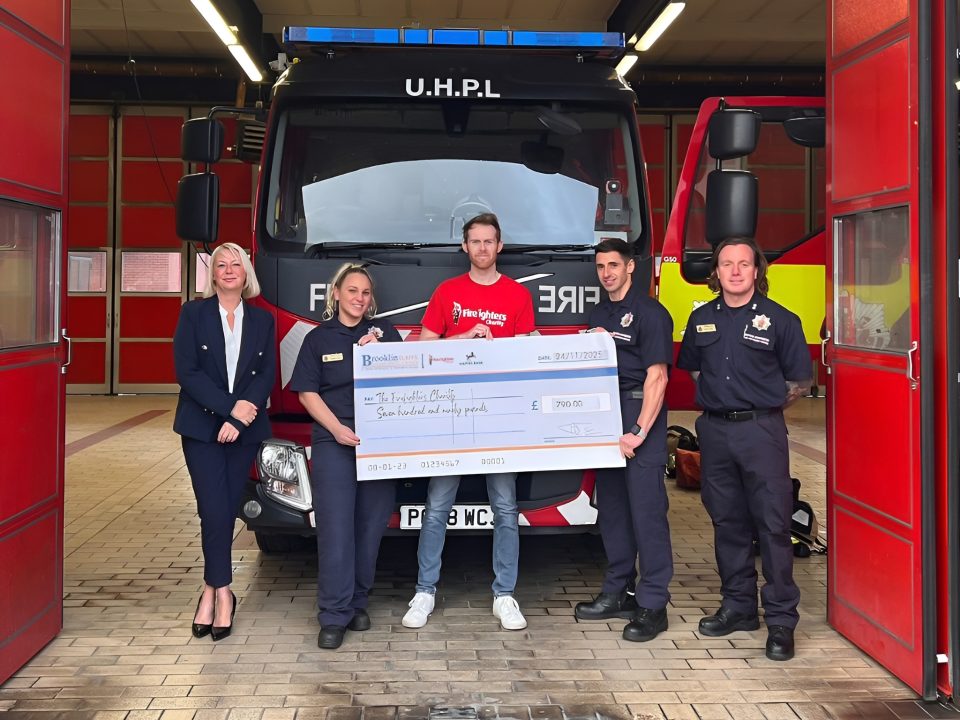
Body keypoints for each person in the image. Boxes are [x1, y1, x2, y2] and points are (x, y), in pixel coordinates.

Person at [676, 237, 812, 661]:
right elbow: (696, 369)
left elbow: (799, 384)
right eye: (726, 264)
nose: (735, 271)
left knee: (772, 524)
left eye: (744, 264)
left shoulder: (782, 321)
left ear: (758, 271)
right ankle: (738, 607)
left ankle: (781, 621)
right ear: (715, 273)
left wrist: (759, 408)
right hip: (715, 432)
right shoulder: (700, 320)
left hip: (762, 432)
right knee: (727, 521)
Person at [402, 212, 535, 631]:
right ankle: (424, 591)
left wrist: (503, 348)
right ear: (465, 247)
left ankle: (505, 595)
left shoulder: (517, 296)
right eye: (474, 242)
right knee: (437, 505)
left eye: (488, 241)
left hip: (500, 418)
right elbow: (424, 349)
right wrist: (462, 339)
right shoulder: (447, 292)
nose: (481, 248)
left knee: (506, 508)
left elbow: (529, 356)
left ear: (500, 246)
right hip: (451, 418)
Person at [289, 263, 402, 649]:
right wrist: (337, 429)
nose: (359, 298)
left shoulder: (386, 335)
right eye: (352, 291)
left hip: (379, 445)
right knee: (336, 529)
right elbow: (307, 393)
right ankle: (333, 614)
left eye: (366, 293)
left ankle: (356, 602)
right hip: (334, 442)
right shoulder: (318, 339)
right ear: (336, 293)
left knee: (369, 527)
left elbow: (409, 383)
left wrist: (383, 356)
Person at [173, 242, 275, 642]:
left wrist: (245, 411)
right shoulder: (193, 314)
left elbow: (266, 371)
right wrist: (232, 411)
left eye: (236, 264)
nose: (229, 270)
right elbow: (188, 372)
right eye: (221, 264)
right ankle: (220, 591)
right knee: (212, 511)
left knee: (228, 510)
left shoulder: (263, 319)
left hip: (246, 429)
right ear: (212, 274)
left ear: (246, 273)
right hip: (202, 429)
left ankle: (215, 591)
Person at [574, 238, 674, 642]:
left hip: (636, 415)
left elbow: (658, 378)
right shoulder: (600, 313)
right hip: (604, 414)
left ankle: (652, 604)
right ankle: (618, 591)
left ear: (630, 267)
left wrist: (639, 431)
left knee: (647, 512)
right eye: (601, 267)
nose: (607, 273)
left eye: (614, 265)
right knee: (613, 510)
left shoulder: (650, 313)